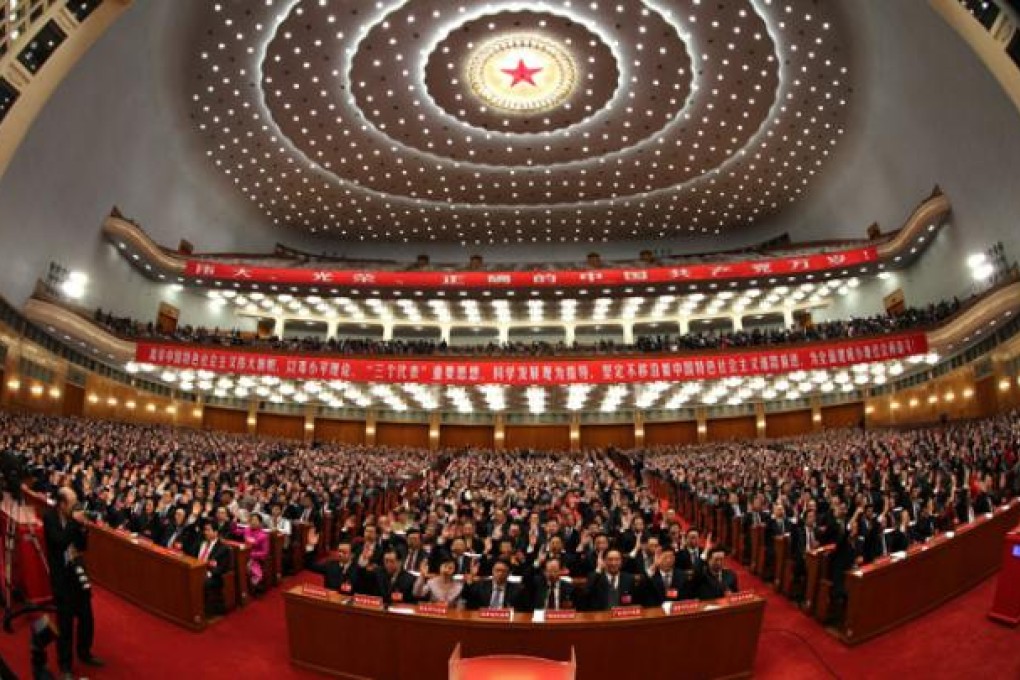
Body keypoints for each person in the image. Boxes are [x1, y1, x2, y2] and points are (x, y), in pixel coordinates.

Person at [42, 487, 102, 679]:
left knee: (87, 618)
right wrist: (74, 524)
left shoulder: (74, 520)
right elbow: (59, 542)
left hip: (78, 574)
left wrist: (83, 528)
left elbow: (83, 546)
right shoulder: (50, 518)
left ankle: (85, 653)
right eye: (73, 503)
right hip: (62, 578)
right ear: (62, 504)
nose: (77, 506)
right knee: (65, 624)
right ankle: (65, 664)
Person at [192, 521, 232, 616]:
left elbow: (221, 568)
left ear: (215, 532)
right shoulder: (201, 542)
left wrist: (208, 574)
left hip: (214, 576)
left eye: (208, 530)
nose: (205, 532)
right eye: (205, 530)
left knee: (203, 582)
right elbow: (192, 556)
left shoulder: (223, 548)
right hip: (196, 570)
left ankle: (202, 611)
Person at [235, 512, 270, 592]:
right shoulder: (247, 530)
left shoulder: (263, 535)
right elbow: (236, 532)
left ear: (260, 523)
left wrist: (250, 555)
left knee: (248, 567)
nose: (253, 522)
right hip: (244, 554)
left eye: (255, 520)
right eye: (251, 520)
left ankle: (252, 586)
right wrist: (234, 521)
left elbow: (265, 552)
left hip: (256, 557)